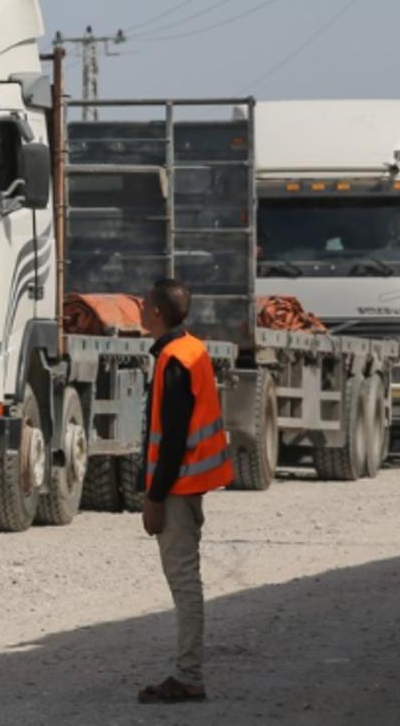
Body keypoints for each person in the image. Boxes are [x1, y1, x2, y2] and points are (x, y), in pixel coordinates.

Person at [137, 278, 232, 705]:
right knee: (186, 581)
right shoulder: (191, 349)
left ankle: (189, 676)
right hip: (189, 485)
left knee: (184, 583)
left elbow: (172, 438)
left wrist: (155, 498)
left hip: (178, 487)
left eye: (144, 305)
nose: (139, 310)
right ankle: (188, 673)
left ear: (157, 313)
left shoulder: (174, 359)